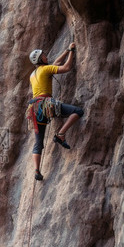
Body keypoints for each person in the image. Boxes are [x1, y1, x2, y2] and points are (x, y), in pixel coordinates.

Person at [28, 43, 84, 181]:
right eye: (44, 56)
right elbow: (66, 67)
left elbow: (56, 63)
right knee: (77, 111)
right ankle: (60, 134)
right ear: (40, 60)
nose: (46, 56)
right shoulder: (45, 70)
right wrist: (72, 51)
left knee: (38, 142)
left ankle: (37, 170)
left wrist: (65, 50)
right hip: (45, 104)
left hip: (34, 109)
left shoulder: (33, 74)